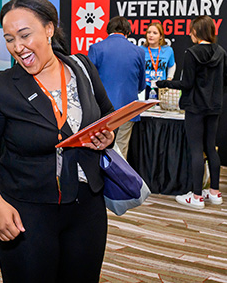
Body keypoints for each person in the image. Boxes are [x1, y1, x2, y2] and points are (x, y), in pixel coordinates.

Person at [0, 0, 115, 282]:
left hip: (87, 210)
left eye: (24, 35)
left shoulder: (81, 68)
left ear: (49, 29)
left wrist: (107, 136)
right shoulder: (0, 89)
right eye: (9, 39)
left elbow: (106, 114)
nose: (17, 47)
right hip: (27, 216)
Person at [157, 15, 226, 209]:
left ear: (196, 31)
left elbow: (186, 83)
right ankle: (214, 192)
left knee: (196, 149)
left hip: (195, 107)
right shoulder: (221, 52)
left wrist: (166, 83)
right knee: (211, 148)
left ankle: (196, 196)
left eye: (191, 30)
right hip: (214, 107)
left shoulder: (191, 53)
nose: (189, 33)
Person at [88, 16, 146, 158]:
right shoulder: (139, 51)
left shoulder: (96, 48)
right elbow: (141, 85)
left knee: (99, 149)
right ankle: (118, 180)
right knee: (121, 152)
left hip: (101, 111)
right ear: (127, 31)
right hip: (127, 109)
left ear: (108, 30)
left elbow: (87, 81)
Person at [141, 22, 176, 99]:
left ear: (160, 36)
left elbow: (172, 65)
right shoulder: (140, 50)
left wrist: (168, 80)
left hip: (161, 88)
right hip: (144, 87)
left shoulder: (168, 50)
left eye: (155, 33)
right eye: (149, 32)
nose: (151, 35)